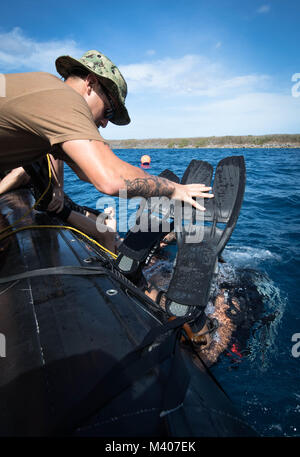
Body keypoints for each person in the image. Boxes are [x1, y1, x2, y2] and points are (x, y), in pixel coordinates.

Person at [0, 50, 212, 213]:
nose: (104, 123)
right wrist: (173, 189)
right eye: (108, 111)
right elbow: (110, 179)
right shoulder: (66, 100)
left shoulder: (42, 88)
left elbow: (87, 173)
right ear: (91, 83)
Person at [0, 156, 118, 253]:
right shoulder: (26, 171)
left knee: (110, 225)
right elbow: (20, 174)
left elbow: (79, 172)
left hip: (59, 202)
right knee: (108, 234)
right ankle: (116, 272)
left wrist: (58, 188)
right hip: (55, 206)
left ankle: (113, 256)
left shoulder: (36, 162)